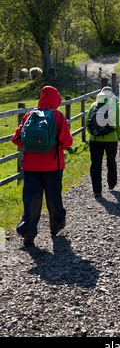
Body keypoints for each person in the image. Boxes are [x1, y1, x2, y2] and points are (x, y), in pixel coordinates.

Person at [11, 86, 73, 246]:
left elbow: (16, 138)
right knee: (53, 197)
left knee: (31, 198)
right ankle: (56, 226)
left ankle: (28, 233)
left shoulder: (29, 115)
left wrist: (32, 147)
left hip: (31, 165)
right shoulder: (58, 116)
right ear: (56, 99)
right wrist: (55, 146)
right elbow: (67, 141)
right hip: (53, 165)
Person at [86, 86, 120, 198]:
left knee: (96, 164)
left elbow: (87, 122)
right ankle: (111, 184)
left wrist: (94, 133)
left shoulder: (93, 106)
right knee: (111, 161)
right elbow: (119, 125)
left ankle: (97, 190)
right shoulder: (114, 106)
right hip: (111, 139)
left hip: (95, 140)